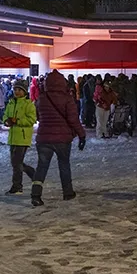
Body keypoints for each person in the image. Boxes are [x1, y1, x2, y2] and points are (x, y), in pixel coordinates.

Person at [32, 70, 86, 207]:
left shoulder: (41, 98)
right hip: (63, 138)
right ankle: (68, 192)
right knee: (64, 164)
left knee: (41, 167)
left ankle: (36, 195)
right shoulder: (67, 98)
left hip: (43, 138)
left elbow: (37, 116)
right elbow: (73, 119)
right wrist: (81, 135)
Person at [3, 79, 37, 195]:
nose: (16, 92)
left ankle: (17, 186)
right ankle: (31, 172)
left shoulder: (28, 104)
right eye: (15, 89)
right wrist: (6, 121)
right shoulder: (11, 103)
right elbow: (5, 115)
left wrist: (17, 121)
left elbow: (32, 120)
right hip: (13, 137)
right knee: (15, 162)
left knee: (16, 163)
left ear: (24, 91)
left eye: (19, 90)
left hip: (22, 138)